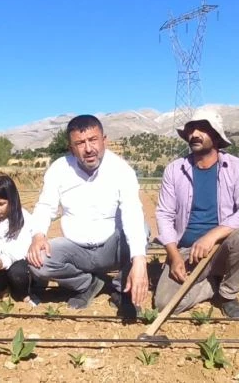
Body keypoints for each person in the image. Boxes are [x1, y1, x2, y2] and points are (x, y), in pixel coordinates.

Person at [27, 115, 149, 314]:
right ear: (71, 148)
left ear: (104, 140)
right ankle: (87, 284)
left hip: (112, 248)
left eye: (93, 140)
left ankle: (121, 289)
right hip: (77, 249)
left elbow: (132, 211)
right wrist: (38, 235)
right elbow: (45, 205)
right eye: (80, 143)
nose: (89, 148)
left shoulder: (121, 170)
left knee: (141, 228)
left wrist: (140, 260)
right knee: (38, 262)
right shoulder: (59, 169)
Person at [154, 108, 239, 318]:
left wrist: (212, 236)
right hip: (187, 252)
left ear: (216, 136)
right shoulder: (175, 170)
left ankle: (228, 294)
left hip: (223, 248)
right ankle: (213, 284)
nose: (194, 134)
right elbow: (164, 214)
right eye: (191, 129)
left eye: (202, 129)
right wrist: (174, 256)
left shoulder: (237, 168)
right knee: (164, 304)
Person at [0, 175, 39, 307]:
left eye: (0, 204)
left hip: (20, 262)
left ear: (12, 200)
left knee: (17, 272)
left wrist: (3, 260)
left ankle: (24, 293)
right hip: (0, 261)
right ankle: (1, 290)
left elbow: (22, 249)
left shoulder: (24, 218)